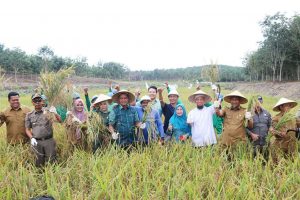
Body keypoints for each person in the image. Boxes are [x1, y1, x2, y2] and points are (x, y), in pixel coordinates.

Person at [25, 94, 62, 167]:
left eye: (39, 100)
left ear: (42, 101)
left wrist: (55, 113)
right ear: (32, 102)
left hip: (49, 141)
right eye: (35, 100)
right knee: (38, 161)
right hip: (36, 141)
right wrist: (31, 138)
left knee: (52, 161)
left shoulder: (48, 112)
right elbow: (27, 129)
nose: (37, 102)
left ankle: (52, 176)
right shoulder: (29, 115)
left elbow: (60, 121)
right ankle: (39, 176)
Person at [270, 98, 298, 163]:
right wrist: (280, 133)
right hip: (280, 144)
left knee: (291, 162)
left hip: (292, 144)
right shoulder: (276, 118)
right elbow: (272, 130)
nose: (289, 107)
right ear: (281, 107)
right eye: (287, 105)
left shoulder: (293, 117)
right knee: (279, 163)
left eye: (290, 105)